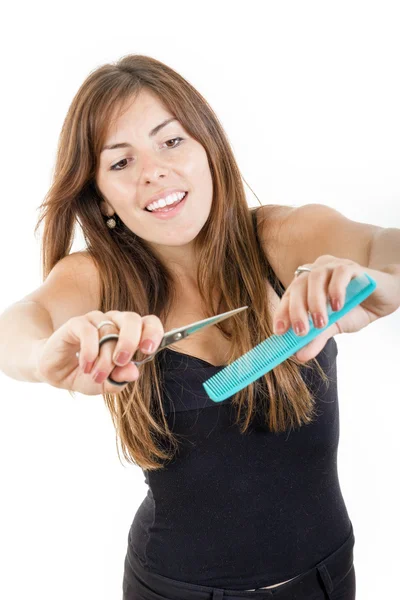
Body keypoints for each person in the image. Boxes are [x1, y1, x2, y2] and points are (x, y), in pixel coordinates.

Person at [0, 54, 399, 600]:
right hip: (171, 588)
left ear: (208, 146)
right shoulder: (97, 278)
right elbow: (16, 327)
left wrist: (378, 284)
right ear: (102, 198)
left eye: (171, 141)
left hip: (325, 579)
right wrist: (44, 354)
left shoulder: (284, 238)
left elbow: (388, 246)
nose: (152, 171)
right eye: (120, 163)